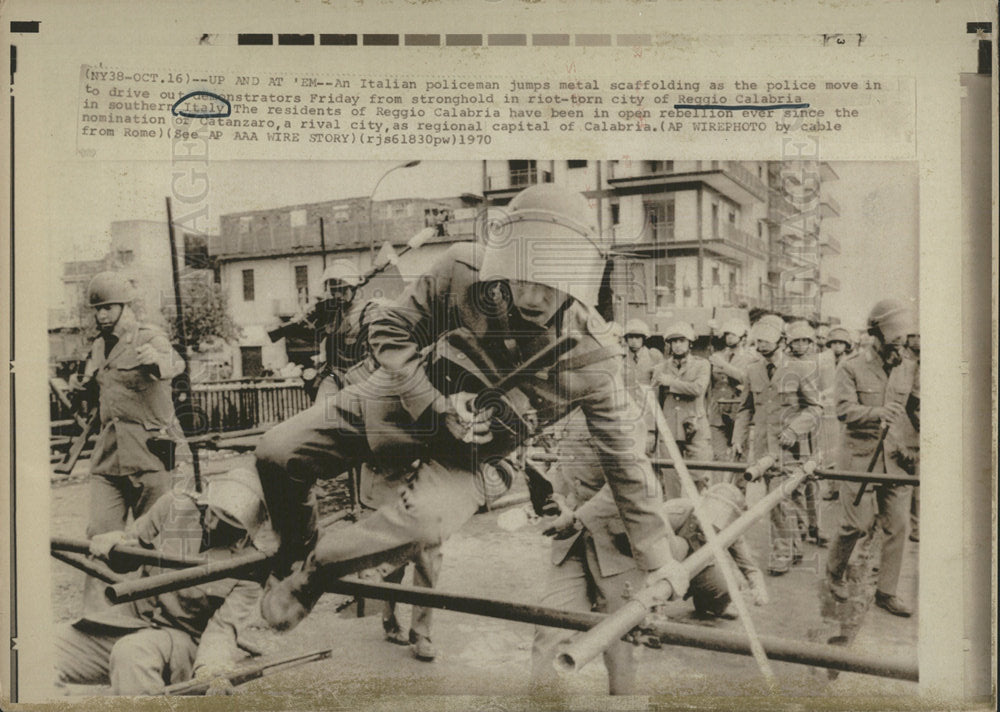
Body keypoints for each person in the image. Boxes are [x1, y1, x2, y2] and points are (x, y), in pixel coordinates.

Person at [256, 184, 689, 633]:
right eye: (523, 275)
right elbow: (391, 327)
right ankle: (293, 551)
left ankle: (313, 575)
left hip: (473, 458)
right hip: (400, 399)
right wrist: (433, 402)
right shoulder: (462, 269)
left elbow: (625, 460)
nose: (533, 297)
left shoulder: (595, 359)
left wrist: (657, 558)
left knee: (424, 526)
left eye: (550, 286)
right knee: (277, 450)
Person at [54, 468, 266, 696]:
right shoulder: (173, 507)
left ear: (245, 534)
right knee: (40, 647)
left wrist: (211, 672)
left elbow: (223, 629)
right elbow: (132, 549)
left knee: (132, 654)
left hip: (179, 643)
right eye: (212, 513)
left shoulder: (249, 568)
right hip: (127, 625)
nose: (213, 525)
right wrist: (115, 545)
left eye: (226, 525)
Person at [69, 271, 189, 615]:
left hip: (152, 454)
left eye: (109, 308)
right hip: (109, 457)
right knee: (99, 535)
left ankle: (160, 614)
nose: (102, 315)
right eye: (98, 310)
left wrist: (159, 361)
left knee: (155, 540)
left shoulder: (148, 337)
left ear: (124, 307)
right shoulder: (97, 346)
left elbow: (172, 364)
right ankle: (99, 616)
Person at [826, 299, 916, 617]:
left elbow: (915, 407)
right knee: (856, 525)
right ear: (875, 335)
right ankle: (834, 573)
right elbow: (843, 410)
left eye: (904, 340)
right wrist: (877, 413)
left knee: (899, 525)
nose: (901, 347)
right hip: (859, 459)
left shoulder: (908, 366)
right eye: (895, 340)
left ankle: (886, 592)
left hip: (896, 458)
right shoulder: (850, 367)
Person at [731, 315, 822, 575]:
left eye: (766, 340)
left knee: (782, 498)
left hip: (792, 448)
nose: (761, 345)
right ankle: (791, 548)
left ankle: (784, 551)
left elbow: (815, 407)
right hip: (764, 448)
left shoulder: (799, 369)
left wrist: (794, 429)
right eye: (758, 340)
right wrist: (738, 438)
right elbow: (745, 409)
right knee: (780, 499)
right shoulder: (752, 370)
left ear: (781, 341)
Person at [662, 482, 768, 618]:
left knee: (729, 585)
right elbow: (645, 542)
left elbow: (749, 566)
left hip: (697, 568)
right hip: (666, 562)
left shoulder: (731, 529)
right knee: (680, 546)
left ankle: (708, 605)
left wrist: (758, 588)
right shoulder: (675, 510)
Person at [653, 321, 712, 497]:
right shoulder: (660, 368)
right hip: (669, 426)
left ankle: (699, 516)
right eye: (674, 342)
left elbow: (698, 389)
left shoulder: (702, 365)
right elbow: (653, 400)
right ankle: (674, 515)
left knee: (700, 474)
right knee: (670, 476)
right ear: (669, 345)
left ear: (689, 343)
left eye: (682, 341)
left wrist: (671, 382)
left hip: (695, 425)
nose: (678, 346)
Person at [784, 320, 825, 547]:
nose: (801, 345)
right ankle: (800, 528)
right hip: (795, 427)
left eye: (805, 341)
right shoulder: (787, 364)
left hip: (815, 428)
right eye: (796, 341)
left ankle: (815, 526)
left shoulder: (819, 364)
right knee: (796, 481)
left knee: (814, 479)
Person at [885, 332, 920, 543]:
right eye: (912, 337)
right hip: (900, 435)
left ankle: (917, 527)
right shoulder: (899, 365)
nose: (917, 341)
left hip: (919, 434)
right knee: (897, 489)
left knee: (918, 487)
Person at [707, 320, 751, 474]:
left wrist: (724, 367)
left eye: (733, 334)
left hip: (739, 412)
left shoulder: (751, 357)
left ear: (743, 338)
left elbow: (746, 378)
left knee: (739, 456)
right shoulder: (717, 356)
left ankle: (738, 493)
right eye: (727, 334)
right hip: (718, 412)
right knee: (718, 457)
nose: (729, 337)